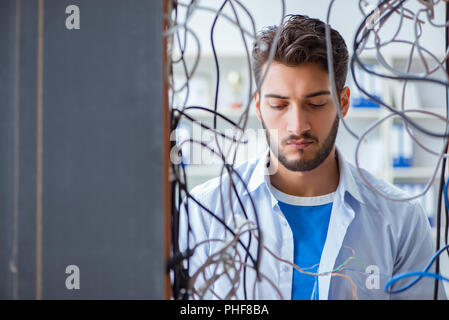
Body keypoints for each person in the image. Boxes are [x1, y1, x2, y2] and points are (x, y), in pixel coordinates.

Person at [178, 14, 447, 300]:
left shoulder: (401, 218)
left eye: (316, 103)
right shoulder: (205, 211)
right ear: (258, 106)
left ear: (343, 103)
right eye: (279, 105)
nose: (297, 125)